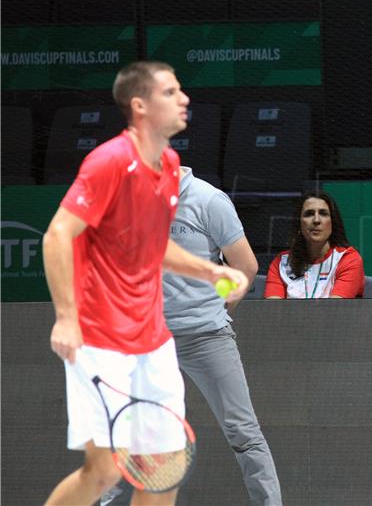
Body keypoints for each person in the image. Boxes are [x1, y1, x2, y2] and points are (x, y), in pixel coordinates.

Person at [43, 61, 249, 506]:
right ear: (139, 106)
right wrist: (66, 318)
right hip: (100, 339)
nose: (184, 99)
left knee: (164, 467)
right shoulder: (110, 162)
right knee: (102, 472)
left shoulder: (169, 164)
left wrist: (209, 271)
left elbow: (151, 244)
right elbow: (58, 234)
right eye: (170, 92)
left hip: (153, 340)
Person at [101, 166, 282, 506]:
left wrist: (217, 307)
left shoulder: (209, 200)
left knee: (243, 431)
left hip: (205, 337)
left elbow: (245, 266)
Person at [265, 190, 364, 298]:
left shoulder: (348, 259)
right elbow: (273, 311)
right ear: (299, 223)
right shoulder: (281, 264)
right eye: (309, 214)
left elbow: (335, 311)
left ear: (333, 222)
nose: (316, 220)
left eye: (323, 213)